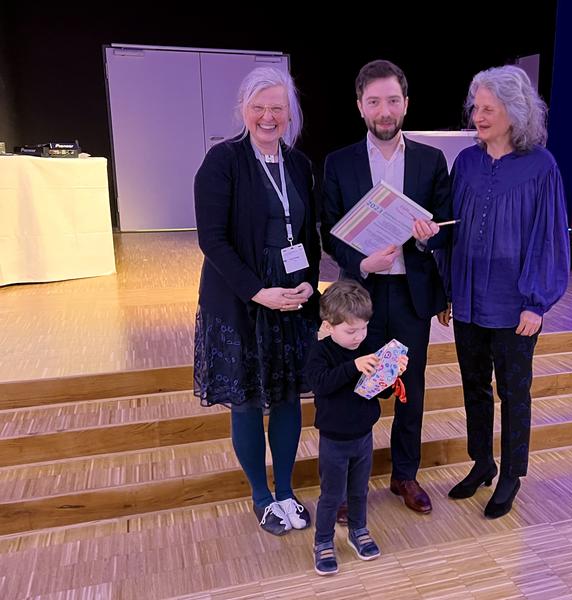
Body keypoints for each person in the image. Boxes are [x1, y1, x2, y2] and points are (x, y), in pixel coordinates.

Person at [193, 66, 321, 535]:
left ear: (290, 113)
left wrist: (309, 283)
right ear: (244, 110)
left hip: (290, 296)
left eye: (277, 108)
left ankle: (286, 491)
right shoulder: (222, 161)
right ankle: (261, 496)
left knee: (288, 399)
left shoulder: (300, 165)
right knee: (247, 401)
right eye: (259, 107)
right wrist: (257, 290)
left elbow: (307, 234)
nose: (268, 117)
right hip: (241, 299)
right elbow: (212, 239)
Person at [321, 59, 451, 515]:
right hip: (362, 296)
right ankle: (347, 485)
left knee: (408, 388)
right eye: (374, 101)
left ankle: (404, 475)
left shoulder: (431, 161)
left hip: (412, 295)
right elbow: (329, 233)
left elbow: (445, 227)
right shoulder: (339, 163)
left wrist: (427, 235)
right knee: (358, 384)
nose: (384, 110)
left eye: (392, 100)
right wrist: (362, 261)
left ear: (406, 104)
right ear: (359, 107)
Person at [441, 65, 570, 518]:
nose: (478, 115)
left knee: (515, 391)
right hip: (469, 300)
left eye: (488, 109)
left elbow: (549, 236)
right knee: (473, 386)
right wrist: (446, 291)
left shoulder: (541, 167)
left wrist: (537, 302)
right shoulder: (467, 163)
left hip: (515, 306)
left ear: (514, 113)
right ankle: (483, 462)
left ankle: (513, 473)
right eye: (475, 107)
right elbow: (450, 232)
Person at [305, 279, 408, 575]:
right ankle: (323, 541)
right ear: (329, 324)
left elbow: (377, 391)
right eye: (351, 331)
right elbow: (320, 384)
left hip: (363, 435)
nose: (358, 336)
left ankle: (358, 530)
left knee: (360, 490)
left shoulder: (366, 347)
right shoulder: (320, 352)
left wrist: (391, 375)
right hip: (334, 439)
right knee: (331, 495)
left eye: (363, 329)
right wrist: (353, 366)